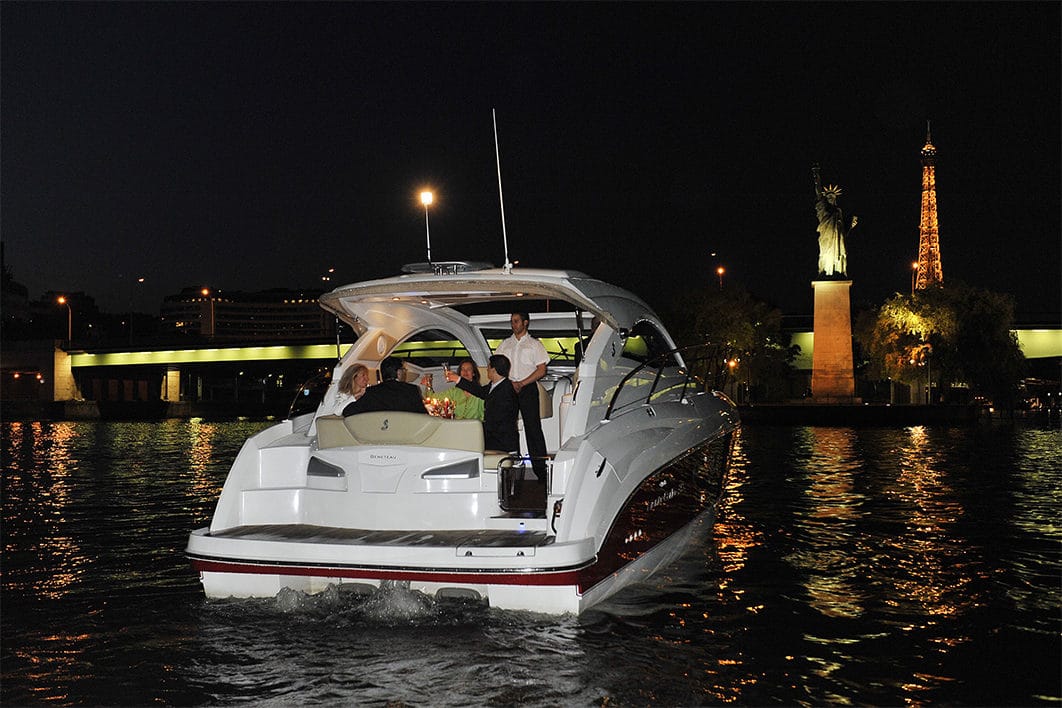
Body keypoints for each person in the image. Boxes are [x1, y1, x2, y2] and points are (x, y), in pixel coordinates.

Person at [494, 311, 549, 480]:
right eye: (512, 321)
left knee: (533, 428)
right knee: (508, 428)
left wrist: (522, 383)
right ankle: (512, 467)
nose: (513, 324)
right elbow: (496, 365)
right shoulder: (505, 344)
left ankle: (541, 472)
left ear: (525, 323)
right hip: (509, 388)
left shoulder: (535, 344)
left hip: (528, 388)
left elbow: (542, 370)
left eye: (516, 321)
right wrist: (509, 384)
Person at [446, 354, 519, 452]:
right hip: (493, 436)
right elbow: (479, 391)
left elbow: (498, 420)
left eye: (488, 367)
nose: (487, 370)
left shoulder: (506, 390)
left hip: (501, 441)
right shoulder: (494, 385)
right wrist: (458, 379)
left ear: (494, 370)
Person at [813, 164, 857, 277]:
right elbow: (818, 193)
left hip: (838, 240)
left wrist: (850, 226)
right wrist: (816, 175)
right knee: (825, 254)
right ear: (826, 199)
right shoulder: (823, 209)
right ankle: (824, 273)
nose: (831, 198)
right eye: (829, 197)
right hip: (826, 238)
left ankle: (838, 272)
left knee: (840, 255)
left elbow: (842, 231)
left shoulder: (838, 211)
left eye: (833, 197)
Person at [343, 357, 427, 416]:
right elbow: (424, 416)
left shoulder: (371, 392)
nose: (405, 372)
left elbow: (347, 412)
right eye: (404, 370)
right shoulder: (411, 390)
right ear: (399, 372)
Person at [420, 358, 485, 420]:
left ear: (473, 373)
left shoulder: (479, 392)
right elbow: (433, 398)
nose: (465, 371)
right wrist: (428, 385)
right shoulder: (455, 392)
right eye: (462, 369)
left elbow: (483, 415)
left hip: (474, 427)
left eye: (469, 369)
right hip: (456, 426)